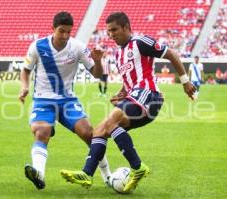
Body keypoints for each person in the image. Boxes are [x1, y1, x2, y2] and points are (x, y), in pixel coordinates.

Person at [60, 12, 196, 193]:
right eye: (108, 32)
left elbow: (170, 54)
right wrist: (121, 94)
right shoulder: (118, 55)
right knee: (101, 129)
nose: (111, 35)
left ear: (126, 27)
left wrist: (185, 81)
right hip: (136, 97)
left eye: (114, 30)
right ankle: (88, 173)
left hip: (149, 95)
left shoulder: (140, 42)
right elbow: (128, 84)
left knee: (109, 122)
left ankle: (136, 167)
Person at [19, 11, 111, 190]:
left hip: (67, 100)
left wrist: (98, 61)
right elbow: (25, 70)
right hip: (43, 100)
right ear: (53, 29)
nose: (65, 36)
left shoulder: (77, 47)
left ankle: (108, 176)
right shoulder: (37, 46)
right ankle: (39, 173)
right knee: (41, 131)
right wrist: (24, 86)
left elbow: (97, 73)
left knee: (89, 134)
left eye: (69, 32)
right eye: (61, 31)